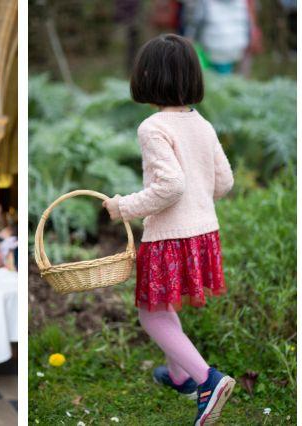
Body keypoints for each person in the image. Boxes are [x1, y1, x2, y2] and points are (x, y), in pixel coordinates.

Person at [101, 34, 235, 424]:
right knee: (165, 305)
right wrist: (197, 198)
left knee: (152, 314)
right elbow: (223, 182)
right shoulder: (202, 124)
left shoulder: (153, 127)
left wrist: (122, 206)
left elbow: (170, 186)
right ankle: (179, 376)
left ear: (147, 77)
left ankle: (206, 379)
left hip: (169, 236)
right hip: (202, 232)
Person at [183, 0, 252, 74]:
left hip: (213, 47)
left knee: (211, 76)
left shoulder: (206, 2)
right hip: (236, 47)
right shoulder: (241, 2)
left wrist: (189, 40)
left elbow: (196, 23)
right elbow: (246, 23)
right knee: (227, 76)